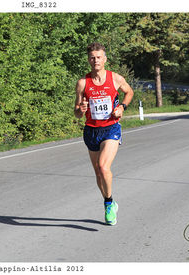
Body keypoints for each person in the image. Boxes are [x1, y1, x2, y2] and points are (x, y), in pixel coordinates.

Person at [74, 42, 134, 225]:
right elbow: (76, 112)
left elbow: (129, 92)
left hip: (111, 128)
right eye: (92, 57)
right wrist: (81, 109)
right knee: (98, 175)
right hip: (91, 130)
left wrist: (122, 107)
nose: (96, 60)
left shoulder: (115, 78)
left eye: (99, 57)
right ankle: (111, 200)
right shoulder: (83, 83)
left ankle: (108, 204)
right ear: (88, 60)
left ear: (105, 59)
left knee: (103, 166)